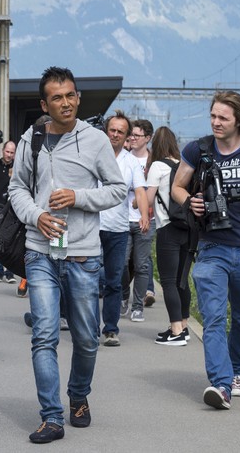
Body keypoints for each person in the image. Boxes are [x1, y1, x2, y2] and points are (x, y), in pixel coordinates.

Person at [9, 66, 126, 444]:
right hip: (40, 252)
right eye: (57, 97)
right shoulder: (32, 138)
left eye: (71, 95)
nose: (66, 102)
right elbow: (16, 190)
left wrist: (79, 197)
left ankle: (78, 395)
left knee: (87, 339)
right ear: (45, 104)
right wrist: (37, 215)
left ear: (78, 98)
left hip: (83, 255)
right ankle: (51, 417)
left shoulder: (95, 140)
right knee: (44, 336)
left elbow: (116, 190)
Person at [171, 90, 240, 410]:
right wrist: (188, 200)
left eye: (223, 118)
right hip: (212, 246)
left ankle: (235, 371)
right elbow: (178, 187)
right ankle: (221, 384)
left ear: (239, 122)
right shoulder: (199, 149)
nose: (216, 122)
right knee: (214, 316)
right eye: (213, 116)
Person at [99, 110, 147, 347]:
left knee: (114, 281)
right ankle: (83, 324)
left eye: (120, 132)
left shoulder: (131, 163)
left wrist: (145, 214)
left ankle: (110, 329)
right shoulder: (94, 155)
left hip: (118, 229)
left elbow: (140, 190)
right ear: (106, 131)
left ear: (127, 136)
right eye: (112, 130)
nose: (115, 135)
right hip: (92, 226)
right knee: (89, 278)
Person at [144, 127, 191, 346]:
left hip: (168, 228)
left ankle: (176, 332)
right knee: (182, 280)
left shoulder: (157, 166)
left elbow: (148, 197)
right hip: (189, 229)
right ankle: (183, 325)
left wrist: (138, 203)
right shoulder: (184, 165)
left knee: (168, 281)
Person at [121, 119, 155, 322]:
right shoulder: (123, 158)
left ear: (147, 138)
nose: (132, 138)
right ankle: (124, 296)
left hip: (146, 220)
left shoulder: (153, 162)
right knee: (122, 263)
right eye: (131, 135)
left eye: (137, 135)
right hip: (122, 219)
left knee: (142, 266)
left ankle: (137, 306)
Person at [0, 140, 18, 283]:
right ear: (2, 150)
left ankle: (10, 272)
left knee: (10, 240)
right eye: (7, 151)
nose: (9, 155)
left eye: (12, 153)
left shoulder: (17, 168)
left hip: (10, 208)